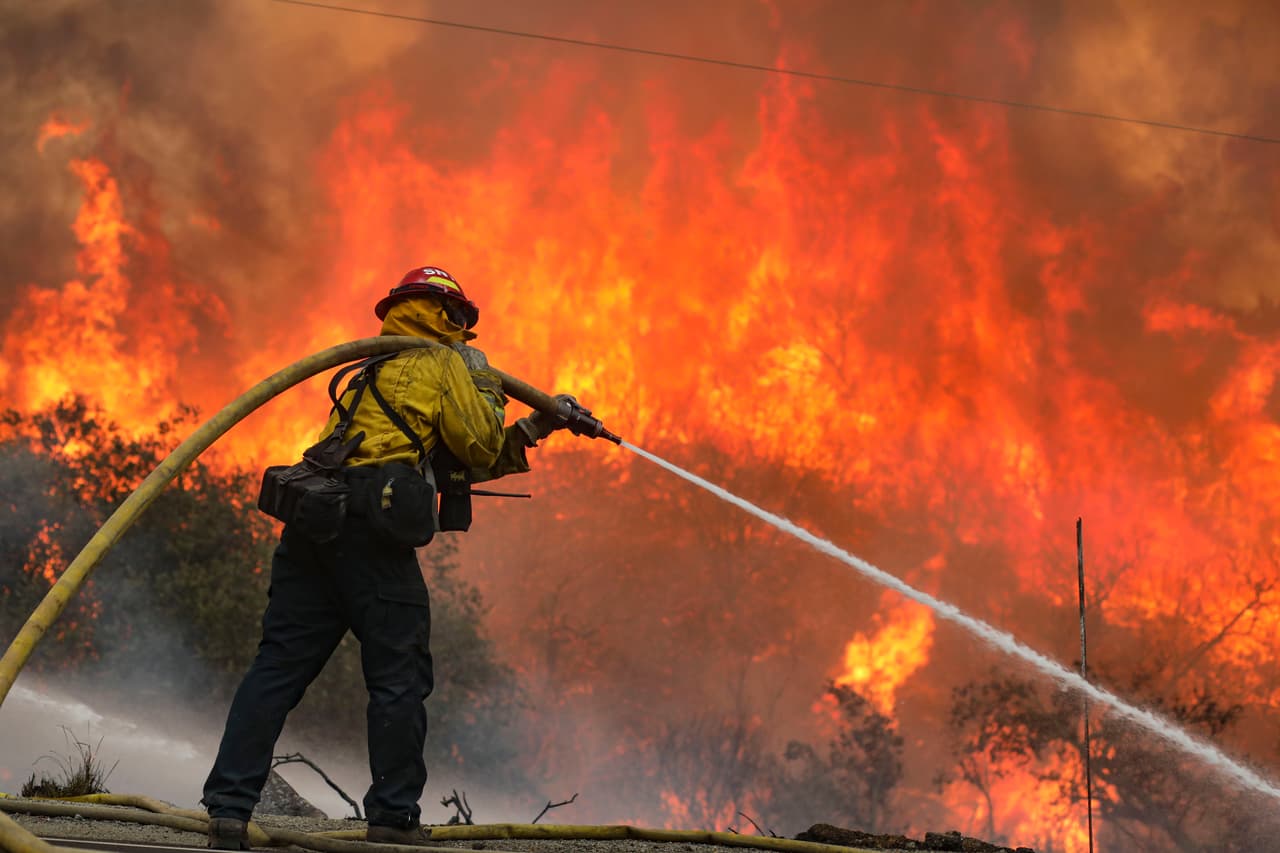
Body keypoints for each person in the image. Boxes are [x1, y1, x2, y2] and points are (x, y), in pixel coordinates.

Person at [202, 266, 568, 849]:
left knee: (277, 669)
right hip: (372, 531)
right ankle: (392, 820)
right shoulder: (444, 364)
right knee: (399, 679)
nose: (465, 331)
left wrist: (534, 429)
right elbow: (474, 442)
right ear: (448, 314)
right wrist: (486, 385)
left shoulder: (370, 367)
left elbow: (454, 461)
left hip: (313, 525)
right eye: (460, 319)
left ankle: (227, 808)